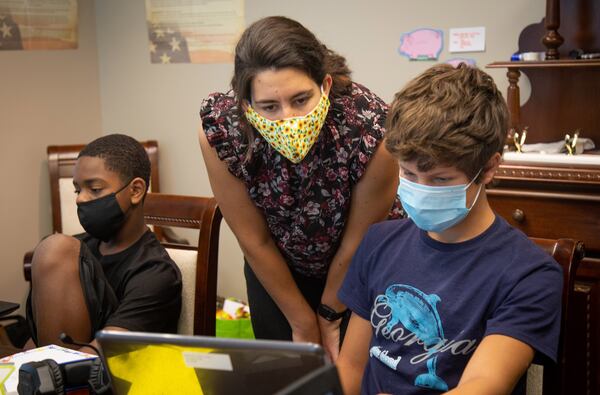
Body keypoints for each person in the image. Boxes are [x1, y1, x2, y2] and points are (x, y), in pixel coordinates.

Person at [336, 64, 563, 395]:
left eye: (440, 179)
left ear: (488, 168)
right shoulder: (379, 242)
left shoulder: (530, 274)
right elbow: (351, 366)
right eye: (409, 174)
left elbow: (484, 385)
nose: (420, 188)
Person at [198, 16, 402, 360]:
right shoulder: (223, 130)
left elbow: (357, 241)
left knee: (350, 375)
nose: (288, 118)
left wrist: (328, 315)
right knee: (288, 374)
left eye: (301, 99)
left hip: (360, 265)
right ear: (246, 103)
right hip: (276, 267)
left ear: (324, 84)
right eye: (269, 107)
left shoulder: (369, 127)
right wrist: (303, 322)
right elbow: (254, 240)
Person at [26, 134, 182, 351]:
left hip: (110, 378)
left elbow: (102, 355)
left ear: (135, 191)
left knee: (55, 248)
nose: (80, 199)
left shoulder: (155, 272)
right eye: (77, 190)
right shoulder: (78, 249)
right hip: (53, 372)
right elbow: (36, 341)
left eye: (95, 189)